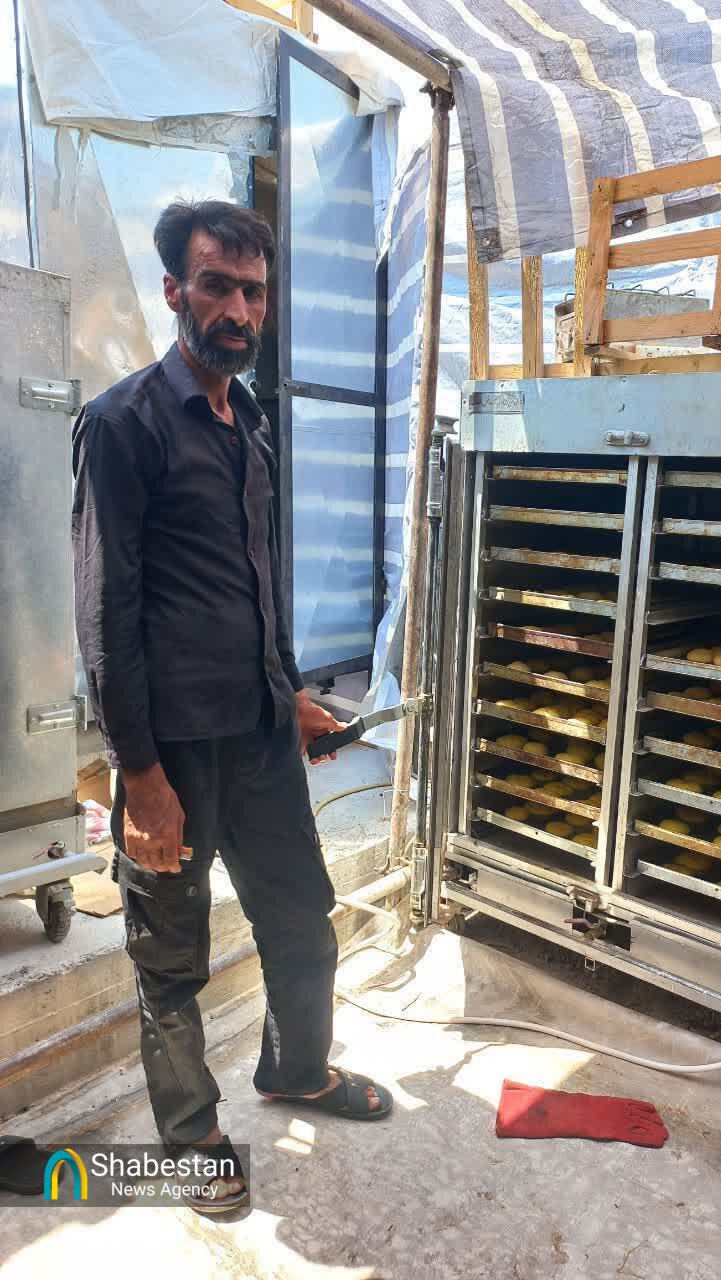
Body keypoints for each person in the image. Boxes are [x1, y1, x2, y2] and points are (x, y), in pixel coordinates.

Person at [72, 200, 392, 1214]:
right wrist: (140, 777)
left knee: (302, 916)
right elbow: (105, 613)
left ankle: (296, 1070)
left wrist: (288, 693)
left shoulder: (249, 421)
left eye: (254, 291)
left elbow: (254, 581)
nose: (239, 310)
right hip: (172, 749)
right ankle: (188, 1138)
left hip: (256, 736)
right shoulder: (122, 423)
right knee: (171, 961)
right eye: (218, 286)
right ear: (176, 290)